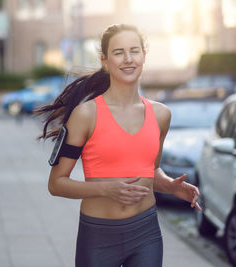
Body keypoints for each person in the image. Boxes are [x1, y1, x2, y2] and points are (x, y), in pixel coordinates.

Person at [36, 24, 201, 267]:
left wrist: (168, 185)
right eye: (118, 52)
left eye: (134, 51)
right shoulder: (85, 115)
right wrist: (105, 189)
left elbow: (151, 171)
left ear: (144, 56)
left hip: (146, 232)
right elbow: (56, 183)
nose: (128, 59)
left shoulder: (161, 115)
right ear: (105, 61)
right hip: (98, 236)